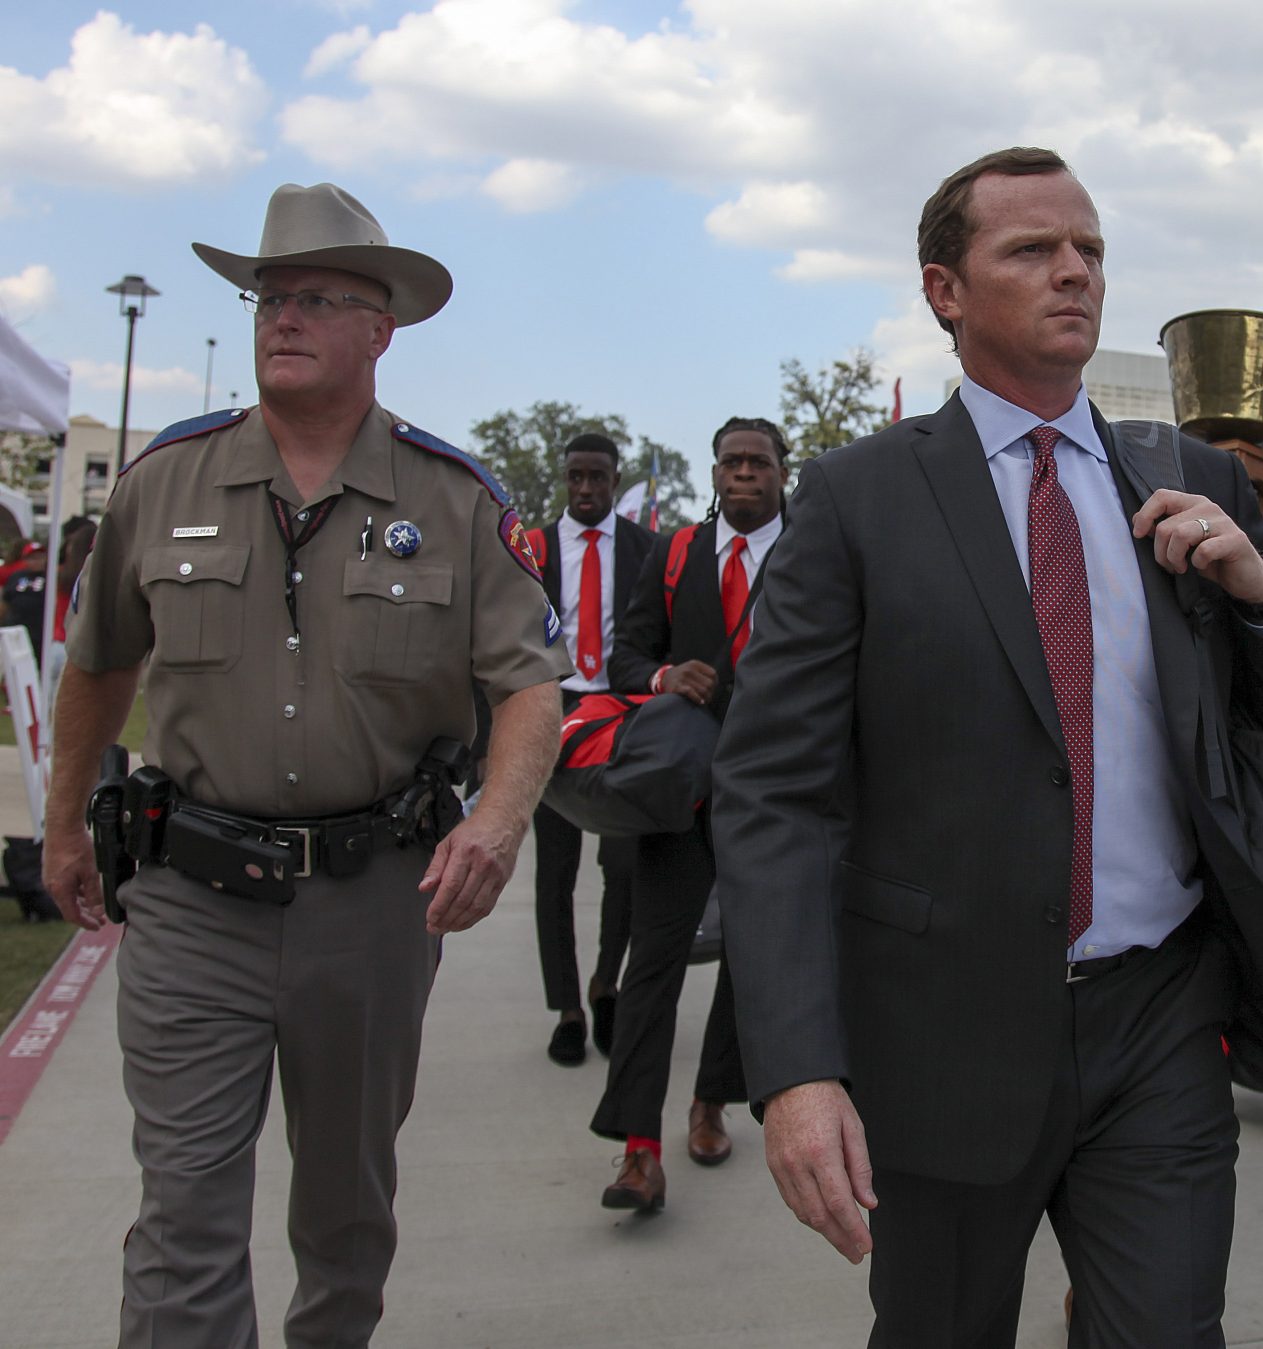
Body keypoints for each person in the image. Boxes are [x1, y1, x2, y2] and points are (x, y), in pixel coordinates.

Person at [711, 146, 1263, 1348]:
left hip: (1161, 1015)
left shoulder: (1192, 477)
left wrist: (1262, 583)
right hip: (942, 1033)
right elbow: (773, 795)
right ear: (944, 290)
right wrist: (798, 1069)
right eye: (1032, 250)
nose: (1075, 272)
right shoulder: (859, 499)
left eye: (1092, 250)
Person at [40, 182, 568, 1348]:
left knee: (344, 1213)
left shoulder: (455, 499)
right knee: (182, 1215)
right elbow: (96, 664)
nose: (283, 315)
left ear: (381, 328)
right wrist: (67, 817)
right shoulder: (162, 482)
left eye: (317, 296)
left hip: (372, 900)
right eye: (269, 293)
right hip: (191, 899)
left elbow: (529, 683)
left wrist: (496, 821)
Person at [590, 415, 789, 1210]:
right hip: (681, 791)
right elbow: (625, 655)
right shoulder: (677, 553)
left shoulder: (814, 549)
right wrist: (666, 675)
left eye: (758, 461)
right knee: (653, 963)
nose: (743, 472)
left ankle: (713, 1099)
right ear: (714, 472)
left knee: (750, 958)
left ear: (782, 471)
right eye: (730, 461)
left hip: (774, 793)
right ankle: (638, 1148)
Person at [527, 432, 654, 1064]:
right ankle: (568, 1008)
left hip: (622, 717)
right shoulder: (531, 551)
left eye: (597, 478)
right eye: (575, 476)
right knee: (555, 870)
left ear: (614, 478)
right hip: (551, 714)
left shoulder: (645, 549)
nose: (585, 489)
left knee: (624, 867)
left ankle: (608, 983)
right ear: (565, 477)